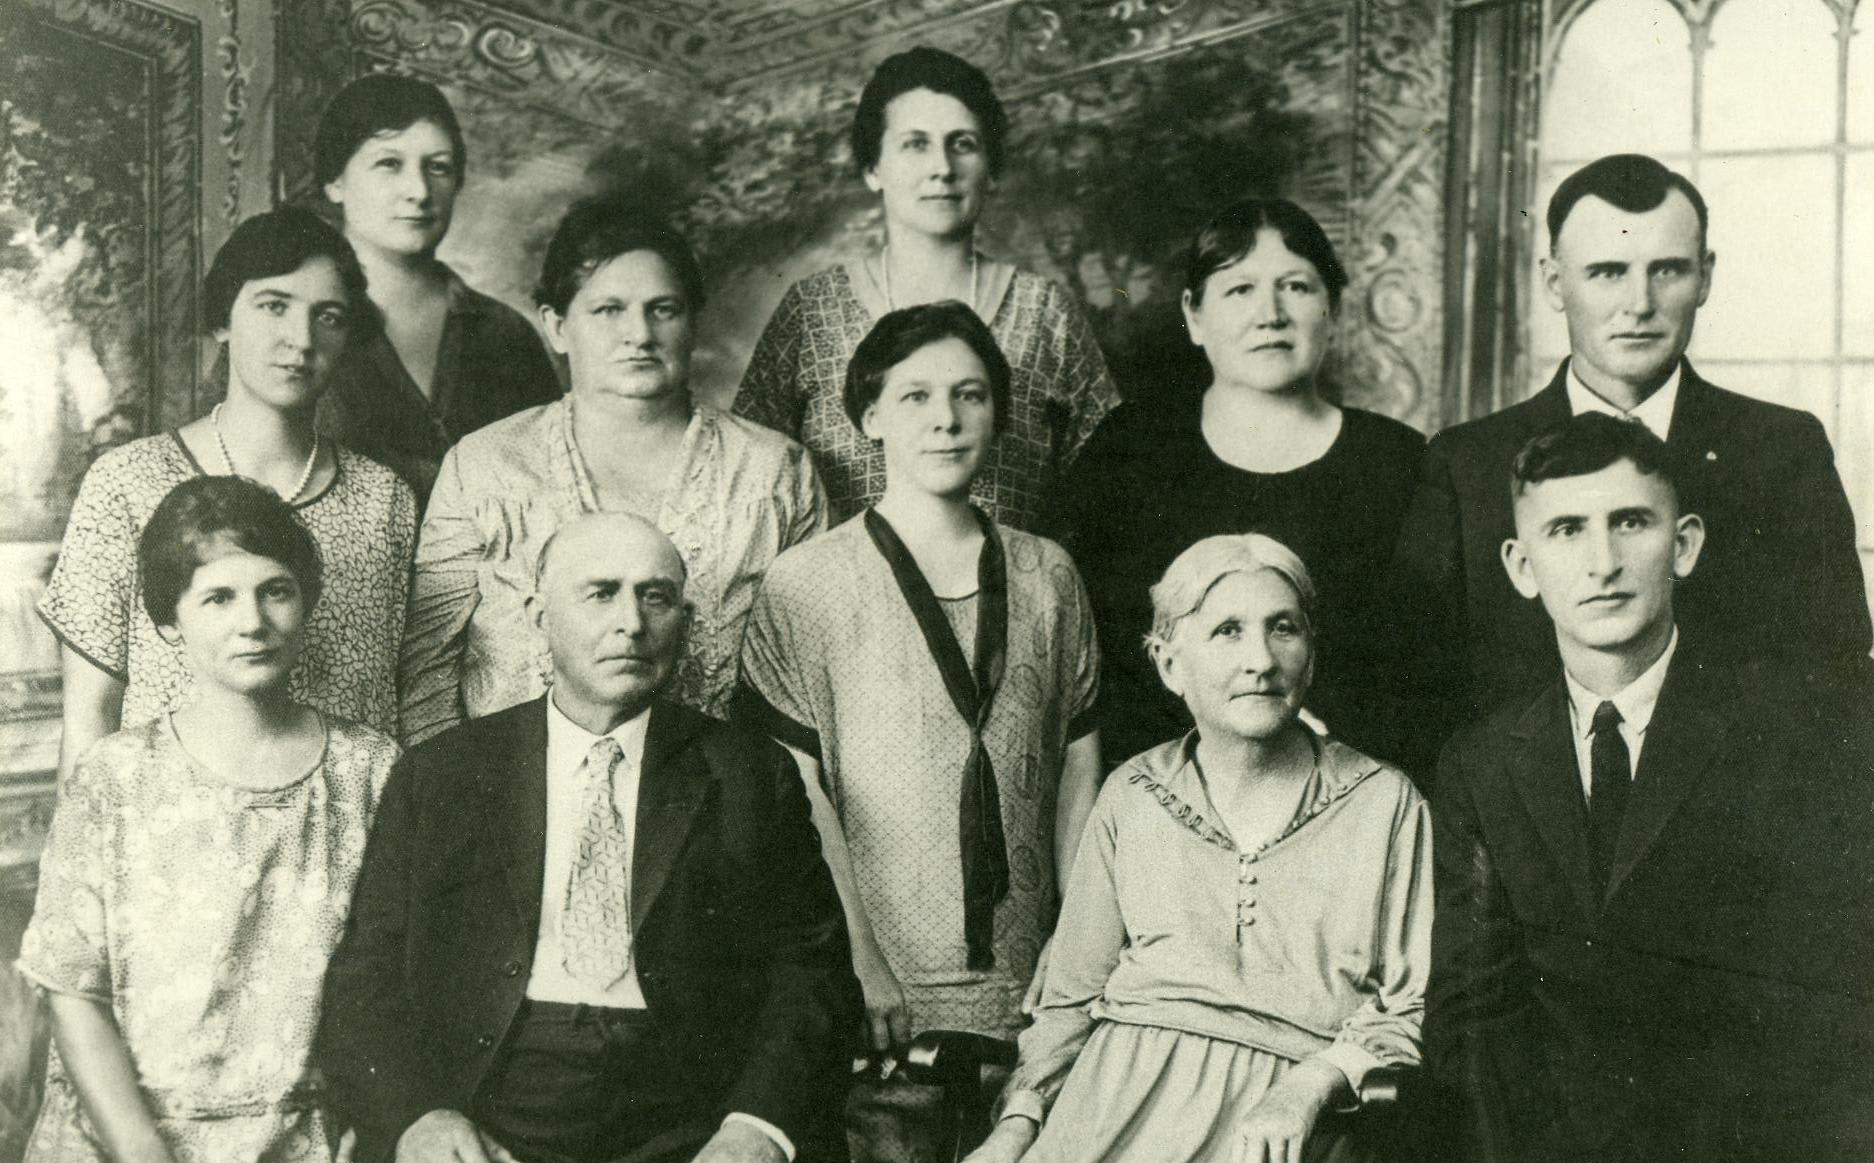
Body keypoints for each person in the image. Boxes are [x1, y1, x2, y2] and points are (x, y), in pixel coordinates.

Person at [1307, 414, 1874, 1163]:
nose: (1601, 560)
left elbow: (1829, 1005)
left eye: (1630, 523)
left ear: (1685, 542)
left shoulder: (1795, 737)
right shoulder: (1483, 759)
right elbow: (1469, 1006)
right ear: (1522, 566)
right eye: (1565, 531)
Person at [319, 512, 860, 1163]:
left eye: (657, 596)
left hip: (688, 1128)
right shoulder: (445, 775)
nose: (631, 622)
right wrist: (416, 1115)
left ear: (686, 621)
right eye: (599, 594)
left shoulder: (746, 773)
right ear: (538, 616)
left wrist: (755, 1125)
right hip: (497, 1113)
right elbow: (365, 978)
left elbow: (811, 973)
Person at [908, 532, 1430, 1163]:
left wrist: (1310, 1086)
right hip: (1111, 1128)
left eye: (1285, 628)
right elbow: (1068, 997)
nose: (1260, 658)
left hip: (1281, 1146)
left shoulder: (1385, 803)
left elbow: (1412, 1000)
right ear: (1167, 660)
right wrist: (1019, 1123)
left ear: (1313, 646)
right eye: (1225, 630)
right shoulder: (1131, 796)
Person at [735, 303, 1103, 1163]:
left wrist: (1075, 963)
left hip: (1029, 993)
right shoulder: (807, 583)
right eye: (915, 397)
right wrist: (858, 958)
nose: (945, 419)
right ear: (867, 419)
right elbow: (799, 790)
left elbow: (1077, 767)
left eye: (969, 394)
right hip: (880, 996)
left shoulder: (1047, 575)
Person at [7, 477, 398, 1163]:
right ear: (171, 622)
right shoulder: (118, 776)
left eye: (275, 590)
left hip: (301, 1150)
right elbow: (72, 989)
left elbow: (396, 985)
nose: (252, 620)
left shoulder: (373, 770)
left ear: (306, 602)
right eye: (216, 597)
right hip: (124, 1140)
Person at [1392, 152, 1870, 742]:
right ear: (1554, 282)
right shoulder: (1465, 462)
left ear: (1706, 277)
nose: (1639, 304)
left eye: (1667, 270)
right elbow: (1418, 686)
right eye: (1607, 272)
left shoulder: (1781, 449)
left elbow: (1835, 671)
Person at [400, 198, 824, 742]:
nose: (639, 334)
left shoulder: (774, 472)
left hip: (717, 808)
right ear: (556, 327)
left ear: (693, 324)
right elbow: (427, 669)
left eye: (663, 309)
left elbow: (808, 676)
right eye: (608, 310)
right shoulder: (486, 465)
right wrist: (465, 804)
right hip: (512, 803)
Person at [39, 206, 416, 777]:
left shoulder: (384, 499)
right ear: (223, 319)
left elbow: (405, 702)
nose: (300, 339)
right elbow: (90, 719)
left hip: (352, 841)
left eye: (328, 317)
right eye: (273, 306)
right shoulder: (126, 485)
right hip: (168, 841)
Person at [1055, 197, 1427, 775]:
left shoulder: (1397, 462)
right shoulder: (1130, 450)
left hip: (1348, 810)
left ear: (1332, 307)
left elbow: (1421, 680)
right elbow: (1087, 666)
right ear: (1195, 315)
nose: (1270, 314)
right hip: (1162, 809)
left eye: (1297, 287)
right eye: (1239, 290)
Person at [734, 45, 1119, 529]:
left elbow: (1111, 482)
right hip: (840, 599)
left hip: (1014, 595)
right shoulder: (811, 310)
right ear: (873, 169)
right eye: (915, 144)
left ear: (992, 171)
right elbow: (747, 474)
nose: (942, 167)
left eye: (963, 144)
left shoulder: (1044, 310)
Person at [314, 73, 561, 510]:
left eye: (438, 167)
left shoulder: (507, 334)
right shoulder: (291, 321)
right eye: (389, 164)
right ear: (335, 182)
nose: (419, 191)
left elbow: (553, 486)